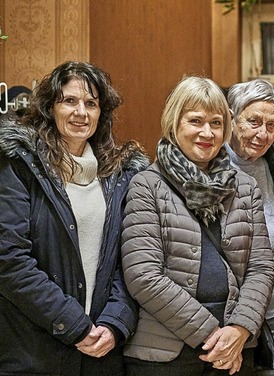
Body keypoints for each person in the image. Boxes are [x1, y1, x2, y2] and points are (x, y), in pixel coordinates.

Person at [121, 76, 274, 376]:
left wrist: (240, 328)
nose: (207, 132)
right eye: (196, 121)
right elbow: (143, 275)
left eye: (216, 123)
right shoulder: (147, 185)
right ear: (174, 123)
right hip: (166, 352)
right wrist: (214, 336)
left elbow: (261, 268)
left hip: (235, 350)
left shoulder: (245, 187)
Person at [0, 61, 147, 375]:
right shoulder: (20, 164)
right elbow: (9, 259)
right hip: (33, 351)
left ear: (101, 113)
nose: (81, 111)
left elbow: (132, 261)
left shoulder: (121, 174)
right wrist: (75, 325)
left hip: (102, 352)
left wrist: (114, 322)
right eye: (70, 101)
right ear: (50, 107)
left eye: (91, 103)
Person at [225, 78, 274, 375]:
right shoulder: (208, 166)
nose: (262, 134)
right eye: (253, 121)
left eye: (272, 125)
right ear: (231, 118)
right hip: (225, 321)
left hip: (272, 316)